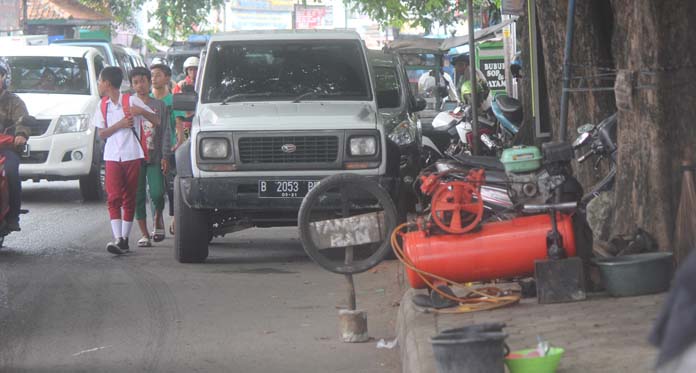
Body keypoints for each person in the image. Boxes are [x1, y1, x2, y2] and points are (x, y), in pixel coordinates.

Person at [92, 66, 159, 255]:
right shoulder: (103, 105)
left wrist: (140, 111)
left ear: (107, 83)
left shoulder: (131, 100)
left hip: (132, 154)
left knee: (130, 196)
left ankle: (124, 239)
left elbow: (157, 120)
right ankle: (118, 238)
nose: (99, 85)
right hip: (112, 155)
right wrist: (120, 124)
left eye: (99, 81)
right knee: (113, 196)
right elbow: (102, 133)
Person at [129, 67, 171, 247]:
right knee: (137, 196)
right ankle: (145, 234)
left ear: (149, 82)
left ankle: (157, 216)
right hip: (134, 158)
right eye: (135, 82)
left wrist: (165, 155)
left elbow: (165, 131)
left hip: (154, 157)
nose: (140, 86)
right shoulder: (128, 106)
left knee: (157, 193)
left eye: (143, 81)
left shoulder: (159, 105)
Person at [0, 58, 30, 232]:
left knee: (11, 172)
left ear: (4, 77)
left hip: (5, 149)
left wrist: (20, 135)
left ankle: (13, 216)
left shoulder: (14, 102)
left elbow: (22, 123)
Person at [150, 63, 179, 236]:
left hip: (170, 149)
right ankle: (157, 218)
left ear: (167, 78)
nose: (154, 78)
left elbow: (179, 125)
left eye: (158, 75)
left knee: (172, 185)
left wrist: (178, 143)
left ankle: (175, 217)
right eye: (152, 75)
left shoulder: (173, 101)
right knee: (154, 189)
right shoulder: (147, 100)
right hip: (152, 150)